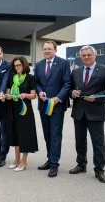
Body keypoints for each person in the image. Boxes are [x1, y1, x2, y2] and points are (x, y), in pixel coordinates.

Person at [69, 45, 105, 183]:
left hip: (96, 112)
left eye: (89, 55)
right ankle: (81, 164)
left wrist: (96, 97)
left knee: (98, 143)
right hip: (79, 112)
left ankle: (99, 170)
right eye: (83, 55)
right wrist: (72, 93)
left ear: (95, 55)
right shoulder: (76, 72)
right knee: (80, 141)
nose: (86, 57)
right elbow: (70, 89)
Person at [34, 40, 71, 177]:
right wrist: (40, 92)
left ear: (55, 50)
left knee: (55, 134)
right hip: (43, 105)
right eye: (45, 49)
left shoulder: (63, 63)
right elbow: (36, 82)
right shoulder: (39, 65)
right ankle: (50, 159)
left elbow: (67, 84)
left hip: (57, 106)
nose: (47, 51)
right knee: (47, 134)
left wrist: (57, 98)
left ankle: (55, 164)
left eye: (49, 49)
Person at [5, 56, 38, 171]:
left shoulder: (30, 78)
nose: (17, 67)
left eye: (19, 65)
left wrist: (25, 95)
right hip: (13, 108)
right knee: (15, 133)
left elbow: (33, 95)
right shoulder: (12, 78)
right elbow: (8, 93)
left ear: (24, 65)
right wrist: (6, 96)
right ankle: (16, 159)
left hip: (25, 109)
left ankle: (24, 161)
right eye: (15, 65)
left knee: (24, 135)